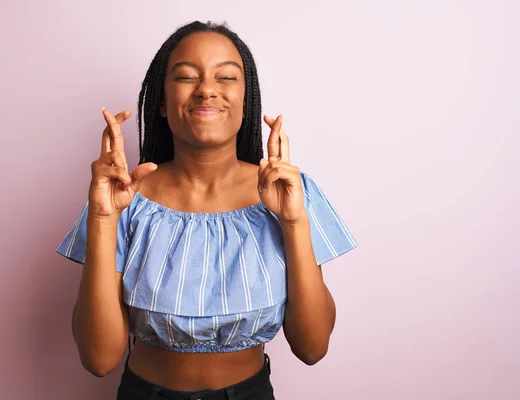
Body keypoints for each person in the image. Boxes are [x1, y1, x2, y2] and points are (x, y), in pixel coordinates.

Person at [56, 21, 358, 400]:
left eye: (227, 77)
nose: (207, 90)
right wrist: (102, 218)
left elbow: (312, 347)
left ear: (246, 100)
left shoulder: (290, 192)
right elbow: (99, 359)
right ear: (162, 102)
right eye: (185, 77)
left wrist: (294, 221)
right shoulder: (122, 198)